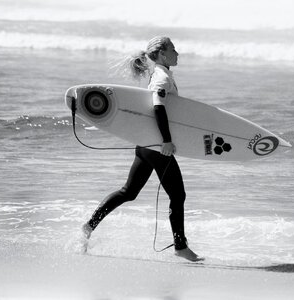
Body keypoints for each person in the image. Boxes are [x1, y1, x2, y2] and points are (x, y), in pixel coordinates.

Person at [81, 36, 203, 262]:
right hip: (157, 146)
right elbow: (158, 107)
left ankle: (89, 226)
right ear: (163, 54)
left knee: (129, 192)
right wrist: (166, 140)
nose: (177, 53)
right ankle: (180, 246)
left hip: (146, 144)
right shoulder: (162, 77)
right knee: (178, 195)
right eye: (173, 49)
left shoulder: (159, 73)